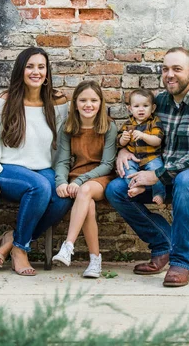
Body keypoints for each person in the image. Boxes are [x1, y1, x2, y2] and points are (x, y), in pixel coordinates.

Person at [105, 47, 189, 287]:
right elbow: (138, 128)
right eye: (165, 69)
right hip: (165, 174)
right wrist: (124, 149)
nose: (170, 75)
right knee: (115, 189)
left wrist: (156, 175)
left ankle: (181, 263)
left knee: (187, 180)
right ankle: (163, 243)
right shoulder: (160, 101)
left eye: (177, 69)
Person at [0, 47, 70, 276]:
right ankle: (20, 250)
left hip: (44, 168)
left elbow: (63, 146)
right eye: (30, 66)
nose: (35, 72)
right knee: (39, 187)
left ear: (47, 72)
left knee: (62, 197)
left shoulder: (58, 102)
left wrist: (62, 176)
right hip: (7, 169)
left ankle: (13, 238)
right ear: (21, 70)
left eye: (41, 67)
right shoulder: (5, 100)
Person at [51, 80, 117, 278]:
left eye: (94, 100)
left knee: (86, 191)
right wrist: (61, 182)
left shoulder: (109, 127)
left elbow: (107, 164)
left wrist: (79, 182)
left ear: (100, 103)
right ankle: (95, 261)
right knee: (88, 206)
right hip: (76, 179)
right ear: (75, 104)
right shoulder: (68, 127)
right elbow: (62, 161)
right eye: (83, 100)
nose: (88, 105)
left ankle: (68, 245)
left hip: (100, 178)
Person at [117, 89, 166, 203]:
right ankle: (137, 186)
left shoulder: (154, 122)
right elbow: (119, 142)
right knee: (127, 169)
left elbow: (157, 140)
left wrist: (144, 136)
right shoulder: (128, 124)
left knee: (157, 171)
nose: (141, 109)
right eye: (136, 106)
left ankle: (159, 194)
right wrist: (123, 139)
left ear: (153, 108)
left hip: (151, 157)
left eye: (145, 106)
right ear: (130, 109)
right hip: (133, 158)